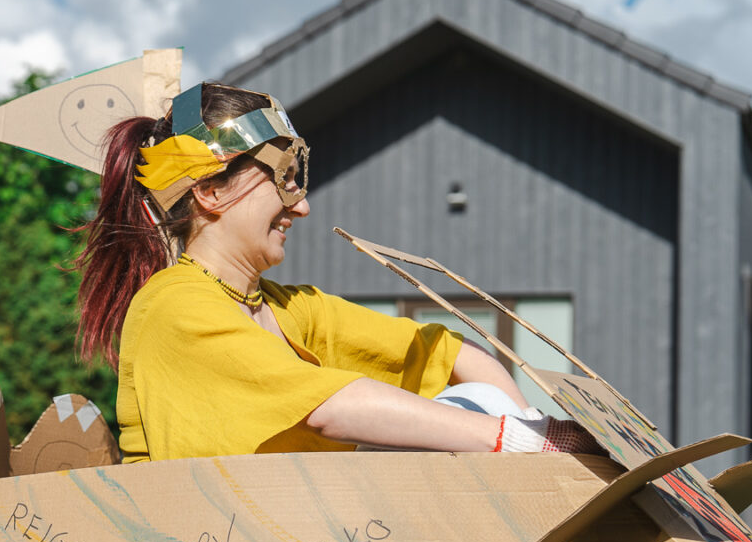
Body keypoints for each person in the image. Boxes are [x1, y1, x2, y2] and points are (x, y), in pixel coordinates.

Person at [75, 82, 600, 460]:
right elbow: (329, 407)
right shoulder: (176, 307)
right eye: (283, 178)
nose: (300, 207)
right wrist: (515, 438)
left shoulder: (288, 307)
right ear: (210, 191)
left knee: (482, 403)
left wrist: (531, 442)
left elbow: (452, 355)